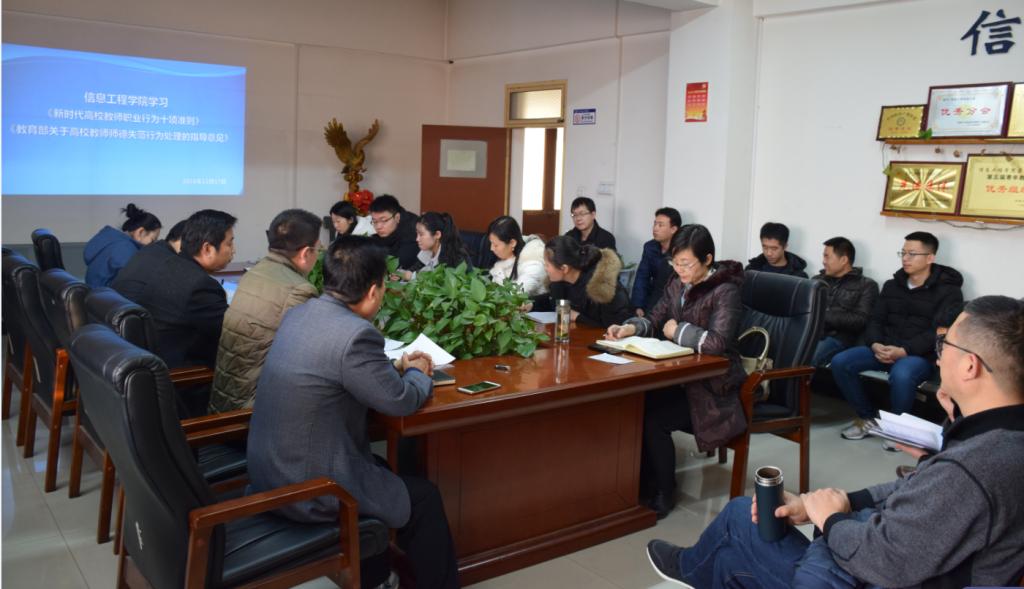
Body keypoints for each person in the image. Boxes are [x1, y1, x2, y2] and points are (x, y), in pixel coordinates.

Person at [646, 295, 1024, 589]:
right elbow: (925, 493)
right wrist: (838, 503)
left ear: (970, 365)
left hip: (870, 573)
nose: (938, 359)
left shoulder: (972, 468)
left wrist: (829, 518)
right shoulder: (997, 440)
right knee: (730, 559)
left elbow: (882, 558)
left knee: (740, 517)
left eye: (944, 346)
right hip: (905, 563)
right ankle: (696, 569)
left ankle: (690, 568)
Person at [246, 235, 459, 589]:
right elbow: (401, 401)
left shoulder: (300, 313)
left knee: (381, 470)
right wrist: (419, 374)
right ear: (374, 291)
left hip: (271, 469)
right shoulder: (355, 334)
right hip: (311, 488)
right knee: (425, 498)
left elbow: (340, 371)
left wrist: (394, 368)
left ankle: (376, 576)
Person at [605, 225, 746, 518]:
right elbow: (656, 318)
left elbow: (717, 343)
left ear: (707, 259)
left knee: (654, 420)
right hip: (683, 378)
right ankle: (639, 484)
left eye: (686, 263)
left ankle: (664, 491)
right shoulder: (677, 283)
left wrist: (677, 331)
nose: (679, 269)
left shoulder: (725, 291)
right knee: (635, 405)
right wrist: (630, 328)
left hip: (714, 389)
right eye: (675, 262)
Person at [831, 231, 963, 443]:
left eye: (912, 254)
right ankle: (868, 417)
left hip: (919, 355)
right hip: (884, 347)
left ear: (930, 257)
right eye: (903, 253)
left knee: (902, 374)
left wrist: (904, 351)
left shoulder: (949, 292)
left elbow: (938, 332)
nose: (905, 258)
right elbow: (875, 320)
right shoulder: (892, 285)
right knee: (841, 362)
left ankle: (897, 429)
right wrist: (875, 343)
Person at [208, 209, 321, 414]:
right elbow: (310, 359)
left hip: (225, 400)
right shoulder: (299, 290)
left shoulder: (255, 272)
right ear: (306, 253)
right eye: (317, 250)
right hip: (255, 412)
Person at [112, 209, 236, 372]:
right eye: (229, 243)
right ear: (207, 249)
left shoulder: (165, 262)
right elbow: (233, 335)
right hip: (184, 375)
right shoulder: (200, 285)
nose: (233, 250)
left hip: (138, 359)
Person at [810, 237, 879, 367]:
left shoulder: (867, 285)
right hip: (811, 333)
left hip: (839, 338)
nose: (823, 261)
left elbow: (860, 320)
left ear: (843, 260)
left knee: (808, 357)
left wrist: (823, 315)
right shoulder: (817, 281)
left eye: (827, 257)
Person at [538, 235, 631, 328]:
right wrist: (532, 304)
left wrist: (578, 317)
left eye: (547, 265)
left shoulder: (600, 286)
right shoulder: (560, 283)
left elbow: (614, 325)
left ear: (564, 268)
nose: (545, 268)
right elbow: (552, 301)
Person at [83, 203, 162, 287]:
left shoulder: (111, 241)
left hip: (92, 292)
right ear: (140, 232)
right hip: (108, 294)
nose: (152, 245)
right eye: (152, 240)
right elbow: (130, 283)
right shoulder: (127, 249)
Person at [630, 207, 682, 317]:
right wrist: (638, 305)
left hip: (674, 301)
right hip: (654, 296)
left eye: (660, 225)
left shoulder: (682, 250)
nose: (655, 228)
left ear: (673, 229)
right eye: (655, 224)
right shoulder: (650, 247)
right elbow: (642, 276)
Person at [397, 212, 472, 280]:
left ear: (437, 235)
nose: (417, 239)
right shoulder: (428, 250)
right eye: (417, 234)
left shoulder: (455, 256)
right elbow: (414, 269)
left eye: (421, 234)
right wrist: (400, 275)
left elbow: (442, 283)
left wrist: (413, 276)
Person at [486, 215, 548, 298]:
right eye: (491, 243)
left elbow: (515, 297)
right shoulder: (507, 257)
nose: (492, 248)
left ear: (512, 243)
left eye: (496, 245)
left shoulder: (533, 263)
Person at [368, 194, 420, 269]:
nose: (378, 227)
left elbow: (401, 263)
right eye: (375, 221)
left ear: (397, 217)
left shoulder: (413, 231)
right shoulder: (387, 230)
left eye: (384, 220)